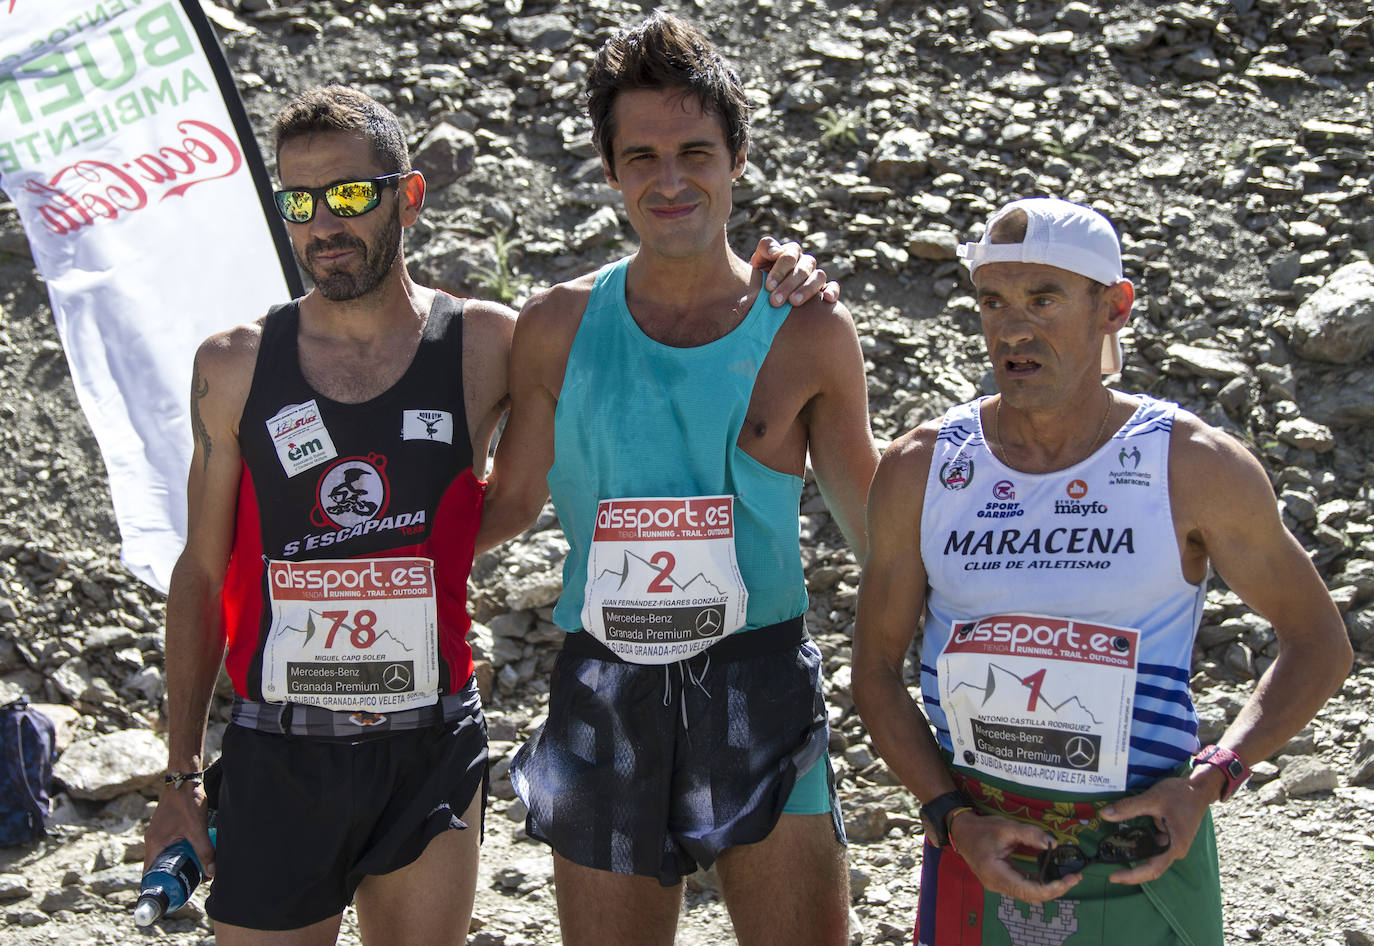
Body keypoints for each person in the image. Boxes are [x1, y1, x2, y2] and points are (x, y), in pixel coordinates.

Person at [141, 85, 832, 945]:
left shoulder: (489, 344)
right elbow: (201, 573)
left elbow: (521, 480)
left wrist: (781, 270)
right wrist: (178, 776)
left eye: (352, 195)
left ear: (410, 196)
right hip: (279, 741)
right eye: (299, 202)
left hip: (429, 735)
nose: (325, 223)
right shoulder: (236, 364)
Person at [475, 12, 879, 946]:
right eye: (642, 155)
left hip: (758, 677)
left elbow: (876, 529)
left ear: (736, 159)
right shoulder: (557, 325)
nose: (670, 179)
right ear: (611, 170)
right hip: (606, 684)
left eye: (696, 150)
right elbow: (509, 501)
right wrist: (363, 540)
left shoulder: (809, 328)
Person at [851, 196, 1353, 945]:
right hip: (983, 850)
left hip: (1140, 855)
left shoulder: (1191, 465)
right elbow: (874, 669)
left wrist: (1212, 779)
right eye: (993, 301)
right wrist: (952, 819)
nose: (1012, 328)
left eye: (1043, 300)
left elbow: (1320, 644)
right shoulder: (924, 466)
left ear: (1113, 308)